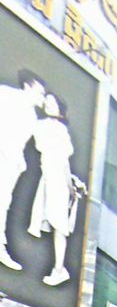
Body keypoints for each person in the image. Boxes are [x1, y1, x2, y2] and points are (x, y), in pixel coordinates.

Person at [27, 93, 86, 286]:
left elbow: (63, 163)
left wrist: (70, 186)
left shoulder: (59, 129)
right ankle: (59, 269)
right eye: (47, 102)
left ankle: (59, 269)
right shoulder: (41, 125)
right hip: (50, 177)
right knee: (56, 225)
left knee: (59, 227)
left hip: (57, 179)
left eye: (52, 102)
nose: (48, 105)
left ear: (59, 108)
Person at [0, 70, 45, 270]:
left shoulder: (32, 118)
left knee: (2, 203)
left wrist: (18, 163)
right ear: (28, 86)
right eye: (40, 92)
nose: (41, 97)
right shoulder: (5, 94)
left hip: (9, 165)